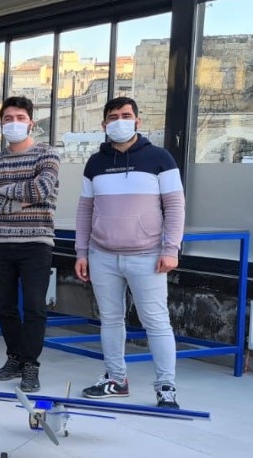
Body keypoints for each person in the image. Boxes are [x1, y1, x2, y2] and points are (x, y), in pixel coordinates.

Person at [75, 96, 186, 408]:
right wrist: (81, 252)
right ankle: (116, 379)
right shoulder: (95, 163)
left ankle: (166, 387)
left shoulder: (160, 158)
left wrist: (171, 248)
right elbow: (85, 210)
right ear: (104, 124)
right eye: (113, 117)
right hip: (102, 255)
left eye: (126, 115)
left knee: (156, 322)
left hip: (148, 256)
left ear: (138, 121)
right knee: (110, 320)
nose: (119, 121)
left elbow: (175, 206)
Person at [0, 96, 59, 393]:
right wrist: (18, 202)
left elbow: (42, 188)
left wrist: (4, 190)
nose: (14, 123)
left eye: (20, 118)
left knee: (35, 307)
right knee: (5, 306)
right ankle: (14, 357)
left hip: (36, 242)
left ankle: (31, 364)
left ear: (31, 122)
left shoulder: (47, 154)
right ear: (1, 124)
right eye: (8, 119)